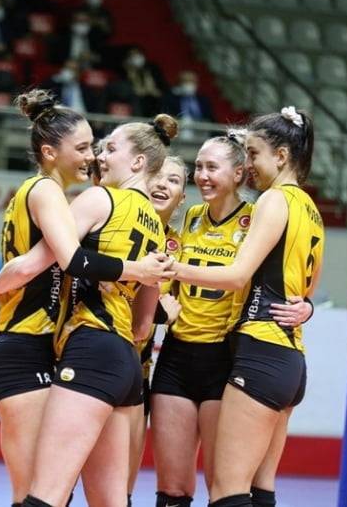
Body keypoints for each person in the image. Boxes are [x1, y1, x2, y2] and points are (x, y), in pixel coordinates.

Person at [0, 92, 174, 506]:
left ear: (138, 162)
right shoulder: (157, 230)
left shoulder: (94, 198)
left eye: (104, 148)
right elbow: (143, 325)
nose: (95, 157)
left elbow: (43, 263)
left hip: (75, 344)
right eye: (86, 147)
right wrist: (139, 274)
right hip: (93, 354)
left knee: (44, 495)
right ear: (50, 152)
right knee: (82, 496)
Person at [172, 107, 323, 507]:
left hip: (261, 350)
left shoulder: (274, 200)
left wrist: (174, 269)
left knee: (227, 491)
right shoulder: (311, 208)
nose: (250, 164)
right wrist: (306, 308)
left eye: (254, 154)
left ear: (282, 156)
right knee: (261, 490)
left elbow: (238, 276)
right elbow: (306, 288)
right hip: (291, 357)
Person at [150, 133, 253, 506]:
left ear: (238, 173)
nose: (203, 176)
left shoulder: (256, 220)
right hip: (176, 356)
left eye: (212, 167)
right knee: (172, 487)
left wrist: (303, 303)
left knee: (223, 487)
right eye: (199, 167)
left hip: (224, 360)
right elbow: (164, 282)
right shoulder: (191, 218)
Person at [128, 155, 187, 506]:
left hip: (138, 372)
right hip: (90, 358)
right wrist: (158, 314)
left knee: (120, 488)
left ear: (182, 199)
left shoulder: (180, 248)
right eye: (158, 175)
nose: (163, 184)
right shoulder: (118, 220)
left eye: (174, 180)